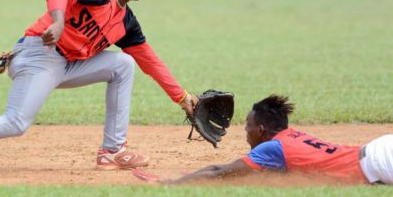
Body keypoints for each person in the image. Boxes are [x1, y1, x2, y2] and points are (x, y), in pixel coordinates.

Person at [0, 0, 198, 170]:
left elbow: (150, 61)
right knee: (16, 123)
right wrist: (58, 22)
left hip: (69, 65)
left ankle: (112, 151)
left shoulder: (126, 23)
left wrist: (181, 97)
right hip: (40, 55)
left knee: (123, 64)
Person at [161, 95, 393, 185]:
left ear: (261, 130)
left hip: (379, 162)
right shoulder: (291, 136)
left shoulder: (273, 148)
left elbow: (219, 170)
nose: (245, 133)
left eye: (248, 127)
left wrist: (174, 183)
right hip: (378, 151)